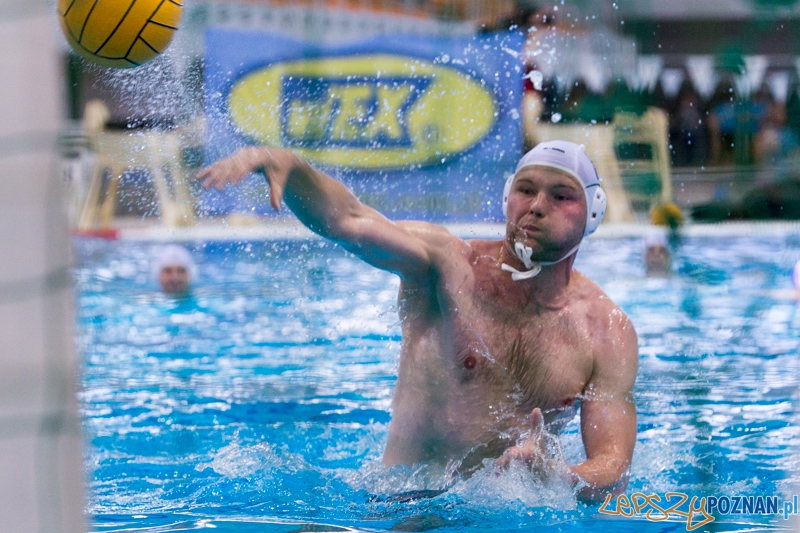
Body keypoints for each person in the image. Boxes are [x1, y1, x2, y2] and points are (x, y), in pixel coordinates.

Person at [198, 140, 638, 501]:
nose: (537, 206)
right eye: (526, 190)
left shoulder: (605, 332)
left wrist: (557, 475)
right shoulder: (446, 267)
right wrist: (290, 166)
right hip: (399, 510)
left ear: (593, 212)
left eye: (561, 196)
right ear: (507, 197)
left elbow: (613, 466)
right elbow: (349, 219)